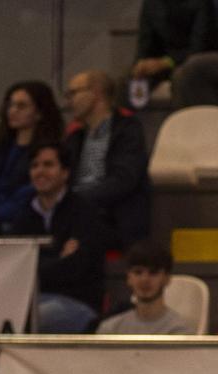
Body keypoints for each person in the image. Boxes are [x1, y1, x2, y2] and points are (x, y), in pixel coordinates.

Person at [11, 143, 105, 333]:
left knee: (29, 321)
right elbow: (16, 268)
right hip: (30, 300)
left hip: (77, 302)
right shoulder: (23, 215)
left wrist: (39, 263)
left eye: (48, 165)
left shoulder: (84, 211)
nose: (40, 171)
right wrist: (59, 258)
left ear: (65, 172)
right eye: (35, 166)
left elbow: (77, 269)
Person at [62, 70, 151, 250]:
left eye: (74, 93)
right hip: (78, 211)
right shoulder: (76, 136)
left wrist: (76, 199)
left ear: (96, 92)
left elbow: (124, 179)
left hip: (112, 215)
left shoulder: (127, 129)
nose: (69, 101)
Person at [0, 80, 63, 228]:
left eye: (21, 106)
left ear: (39, 113)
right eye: (10, 105)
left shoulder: (47, 152)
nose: (13, 111)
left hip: (16, 222)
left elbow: (29, 194)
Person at [96, 240, 194, 335]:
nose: (144, 279)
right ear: (129, 278)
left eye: (153, 272)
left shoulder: (181, 330)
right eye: (138, 272)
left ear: (166, 278)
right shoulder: (110, 329)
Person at [128, 0, 216, 102]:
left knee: (181, 77)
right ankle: (126, 117)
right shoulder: (151, 3)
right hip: (161, 62)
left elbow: (199, 47)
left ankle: (183, 117)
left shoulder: (201, 3)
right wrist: (140, 63)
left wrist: (166, 62)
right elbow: (145, 41)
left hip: (195, 61)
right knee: (127, 80)